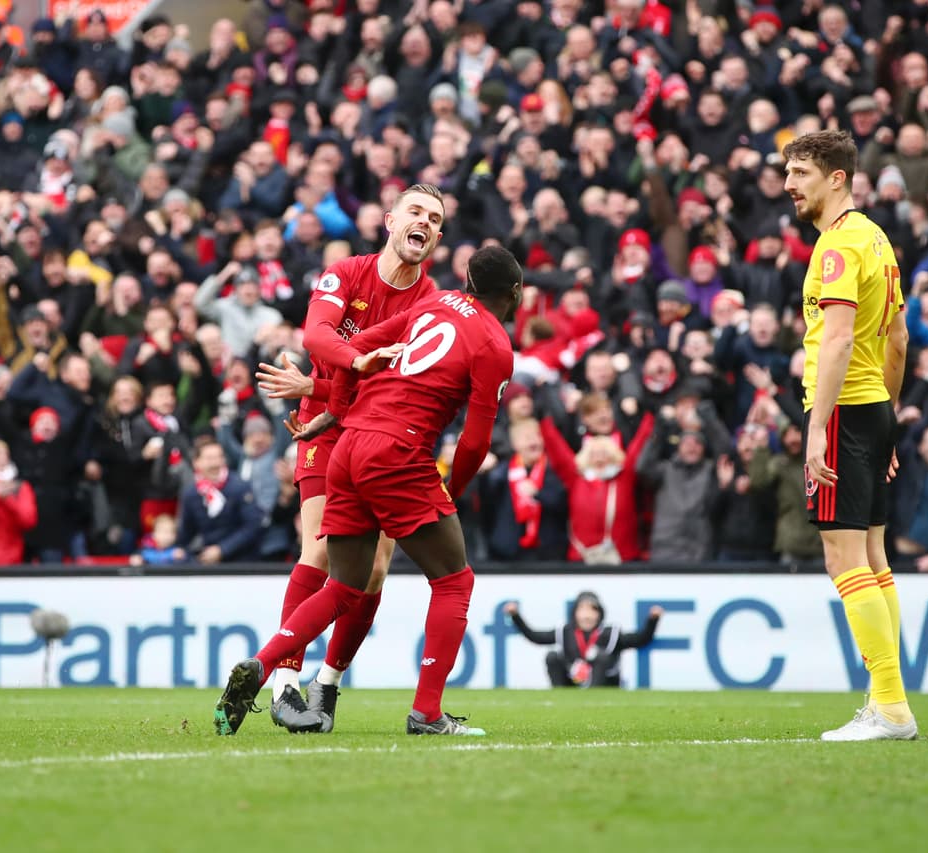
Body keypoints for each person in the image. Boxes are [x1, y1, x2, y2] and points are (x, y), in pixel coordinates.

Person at [214, 245, 522, 737]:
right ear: (516, 292)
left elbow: (354, 352)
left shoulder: (434, 300)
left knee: (346, 584)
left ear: (467, 280)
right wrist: (453, 491)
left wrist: (334, 411)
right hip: (399, 451)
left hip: (350, 444)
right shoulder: (496, 346)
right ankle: (427, 713)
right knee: (453, 582)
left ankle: (264, 663)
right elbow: (475, 441)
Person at [250, 184, 444, 733]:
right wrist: (347, 369)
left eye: (435, 219)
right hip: (323, 427)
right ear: (390, 221)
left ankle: (328, 685)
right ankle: (285, 686)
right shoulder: (345, 274)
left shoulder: (430, 303)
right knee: (318, 550)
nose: (425, 222)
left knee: (375, 570)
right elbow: (316, 335)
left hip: (376, 431)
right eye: (415, 212)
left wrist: (318, 384)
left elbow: (396, 382)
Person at [782, 130, 914, 741]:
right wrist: (887, 417)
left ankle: (890, 708)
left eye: (801, 173)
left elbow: (836, 339)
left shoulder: (837, 245)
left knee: (843, 560)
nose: (789, 185)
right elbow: (898, 340)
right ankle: (887, 701)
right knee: (874, 560)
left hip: (841, 412)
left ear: (837, 178)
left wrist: (817, 429)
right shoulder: (877, 240)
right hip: (873, 409)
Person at [503, 593, 664, 687]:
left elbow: (641, 639)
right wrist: (516, 617)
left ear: (599, 614)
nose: (587, 615)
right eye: (582, 610)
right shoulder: (565, 631)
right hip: (573, 680)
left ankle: (594, 696)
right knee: (552, 656)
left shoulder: (610, 633)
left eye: (592, 610)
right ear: (575, 613)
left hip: (606, 684)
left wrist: (653, 620)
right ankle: (559, 696)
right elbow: (535, 637)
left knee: (602, 656)